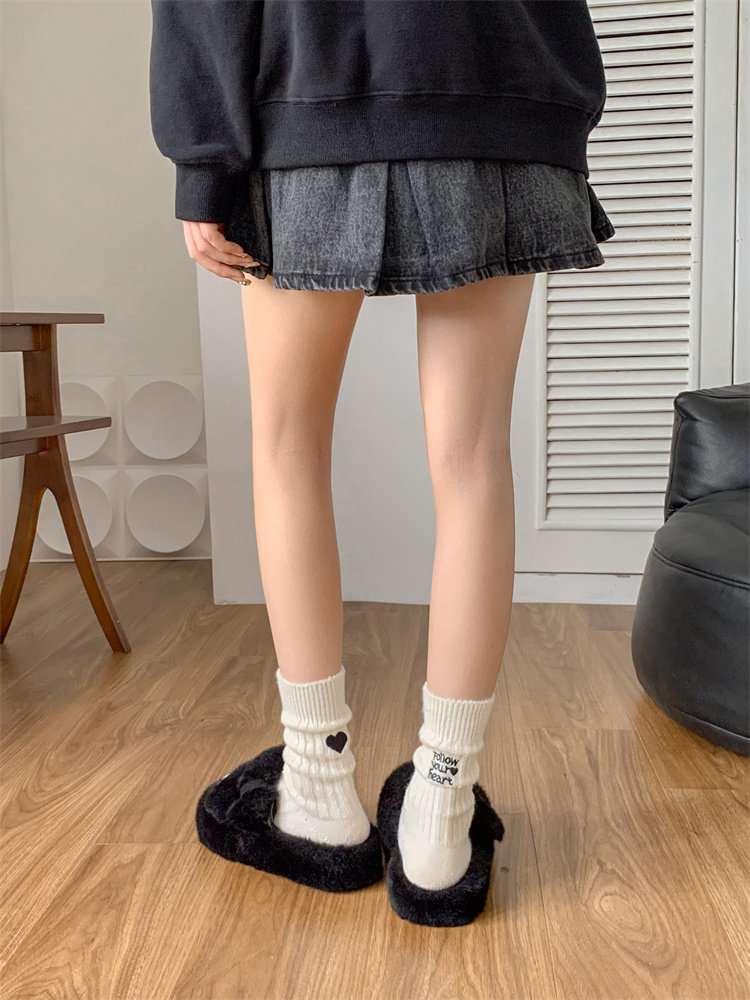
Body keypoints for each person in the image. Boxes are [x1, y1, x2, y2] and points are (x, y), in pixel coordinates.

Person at [149, 0, 615, 926]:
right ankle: (443, 810)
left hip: (310, 105)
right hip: (498, 100)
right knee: (474, 459)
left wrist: (203, 162)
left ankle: (317, 784)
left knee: (286, 445)